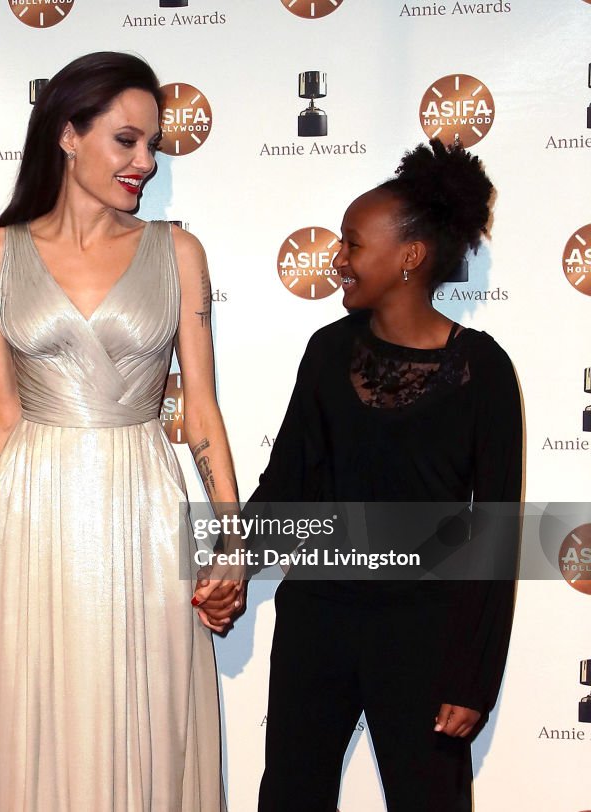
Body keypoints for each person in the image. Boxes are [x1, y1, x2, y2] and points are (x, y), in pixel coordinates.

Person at [0, 51, 240, 811]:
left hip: (146, 500)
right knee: (47, 706)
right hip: (32, 510)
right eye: (127, 140)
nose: (145, 163)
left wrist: (232, 539)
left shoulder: (177, 252)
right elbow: (3, 410)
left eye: (153, 145)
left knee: (155, 704)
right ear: (67, 133)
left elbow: (203, 411)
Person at [232, 140, 522, 811]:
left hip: (426, 636)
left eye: (353, 244)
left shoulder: (484, 373)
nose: (338, 260)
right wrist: (233, 561)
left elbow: (497, 533)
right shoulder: (328, 351)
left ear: (410, 258)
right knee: (290, 797)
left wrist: (471, 677)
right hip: (317, 622)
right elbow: (287, 482)